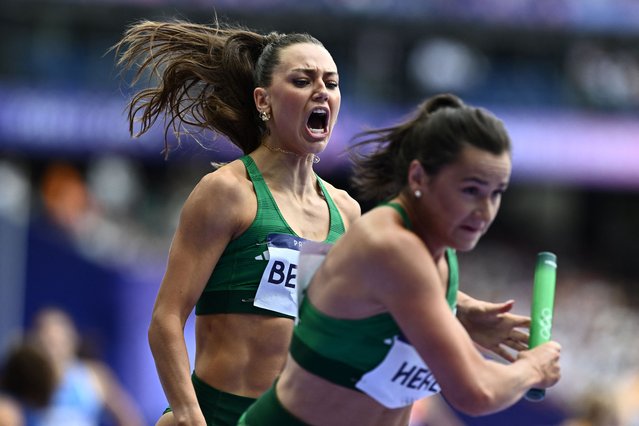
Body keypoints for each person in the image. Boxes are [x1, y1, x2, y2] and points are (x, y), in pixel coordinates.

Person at [237, 93, 562, 426]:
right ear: (419, 177)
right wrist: (532, 368)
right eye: (471, 190)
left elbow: (374, 297)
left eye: (497, 192)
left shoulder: (440, 246)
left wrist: (459, 311)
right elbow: (476, 392)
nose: (485, 211)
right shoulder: (392, 246)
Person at [113, 18, 360, 426]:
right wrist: (189, 415)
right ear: (263, 101)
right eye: (303, 80)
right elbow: (166, 319)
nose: (322, 91)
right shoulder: (228, 193)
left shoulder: (347, 212)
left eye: (331, 83)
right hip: (218, 415)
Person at [27, 307, 145, 426]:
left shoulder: (94, 375)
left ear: (73, 340)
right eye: (48, 342)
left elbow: (129, 417)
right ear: (35, 343)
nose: (54, 351)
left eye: (60, 342)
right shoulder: (26, 377)